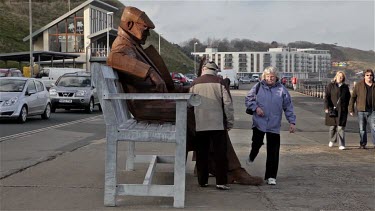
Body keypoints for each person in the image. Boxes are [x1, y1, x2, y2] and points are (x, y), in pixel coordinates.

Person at [107, 6, 262, 185]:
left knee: (203, 113)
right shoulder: (122, 45)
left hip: (155, 100)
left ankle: (207, 165)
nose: (148, 34)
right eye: (145, 29)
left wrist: (190, 87)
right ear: (129, 24)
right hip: (145, 105)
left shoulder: (132, 45)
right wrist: (150, 72)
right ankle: (230, 169)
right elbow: (114, 58)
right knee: (204, 115)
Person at [245, 66, 296, 185]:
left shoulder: (282, 90)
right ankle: (252, 155)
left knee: (273, 151)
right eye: (267, 76)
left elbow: (288, 107)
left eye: (272, 76)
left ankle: (271, 176)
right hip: (259, 122)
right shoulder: (258, 87)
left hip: (274, 124)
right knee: (256, 143)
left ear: (276, 77)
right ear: (264, 77)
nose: (270, 79)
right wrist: (256, 108)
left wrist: (292, 122)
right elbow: (248, 99)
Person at [190, 61, 233, 190]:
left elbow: (189, 103)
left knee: (202, 153)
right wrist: (229, 122)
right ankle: (221, 182)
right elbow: (228, 104)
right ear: (215, 70)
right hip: (217, 124)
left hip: (200, 123)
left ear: (204, 69)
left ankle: (202, 181)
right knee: (220, 154)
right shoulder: (220, 82)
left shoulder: (195, 83)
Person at [324, 71, 351, 150]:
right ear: (336, 77)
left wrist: (348, 108)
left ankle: (341, 144)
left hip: (342, 110)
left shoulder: (345, 87)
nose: (340, 77)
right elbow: (326, 97)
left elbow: (348, 98)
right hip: (332, 109)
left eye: (342, 76)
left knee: (340, 127)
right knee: (332, 126)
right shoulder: (330, 86)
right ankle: (332, 140)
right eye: (339, 76)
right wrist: (326, 107)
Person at [349, 69, 375, 149]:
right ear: (364, 76)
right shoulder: (358, 85)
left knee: (374, 127)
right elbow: (353, 98)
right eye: (367, 75)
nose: (369, 77)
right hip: (361, 110)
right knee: (362, 129)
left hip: (373, 110)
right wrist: (351, 109)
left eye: (371, 75)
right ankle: (363, 143)